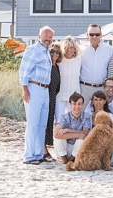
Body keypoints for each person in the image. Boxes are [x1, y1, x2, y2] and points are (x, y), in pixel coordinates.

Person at [19, 26, 54, 164]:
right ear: (39, 36)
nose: (48, 39)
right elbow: (23, 71)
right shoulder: (33, 50)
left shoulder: (46, 52)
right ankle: (28, 156)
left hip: (44, 90)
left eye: (50, 37)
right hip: (34, 88)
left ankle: (38, 154)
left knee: (42, 124)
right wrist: (25, 90)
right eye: (46, 36)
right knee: (33, 124)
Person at [79, 24, 113, 104]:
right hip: (84, 88)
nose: (94, 37)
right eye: (91, 34)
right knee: (81, 113)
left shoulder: (109, 50)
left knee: (100, 115)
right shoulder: (81, 49)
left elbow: (112, 66)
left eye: (97, 34)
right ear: (87, 35)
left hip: (101, 88)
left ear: (101, 35)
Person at [53, 92, 91, 165]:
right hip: (65, 149)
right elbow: (56, 133)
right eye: (74, 104)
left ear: (82, 105)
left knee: (82, 139)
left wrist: (67, 130)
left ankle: (70, 160)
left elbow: (84, 133)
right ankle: (64, 160)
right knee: (58, 137)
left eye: (79, 104)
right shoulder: (65, 117)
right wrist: (76, 135)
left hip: (78, 150)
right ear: (70, 105)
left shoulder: (86, 116)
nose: (77, 106)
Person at [56, 36, 83, 123]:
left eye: (71, 47)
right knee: (59, 120)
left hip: (74, 95)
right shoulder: (59, 61)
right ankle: (57, 135)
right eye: (66, 47)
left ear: (75, 49)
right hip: (60, 94)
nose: (69, 50)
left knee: (72, 120)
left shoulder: (79, 60)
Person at [44, 43, 62, 161]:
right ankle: (43, 150)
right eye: (52, 52)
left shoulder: (57, 67)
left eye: (57, 52)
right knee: (45, 122)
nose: (54, 54)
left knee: (50, 121)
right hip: (46, 97)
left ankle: (46, 148)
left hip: (54, 98)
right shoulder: (47, 66)